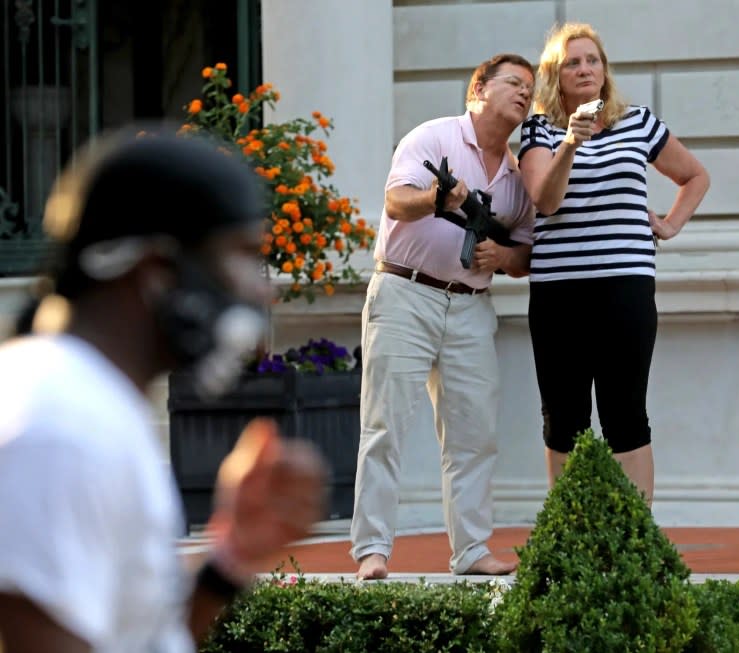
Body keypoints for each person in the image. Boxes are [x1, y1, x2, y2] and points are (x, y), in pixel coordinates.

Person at [0, 128, 325, 652]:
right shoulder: (59, 429)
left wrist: (229, 560)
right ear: (156, 273)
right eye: (241, 255)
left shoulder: (87, 404)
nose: (262, 288)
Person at [351, 53, 536, 580]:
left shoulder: (519, 178)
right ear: (478, 89)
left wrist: (501, 258)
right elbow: (395, 201)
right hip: (405, 293)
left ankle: (472, 550)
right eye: (513, 83)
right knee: (385, 425)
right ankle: (372, 550)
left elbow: (524, 252)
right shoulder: (433, 138)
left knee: (474, 433)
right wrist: (438, 197)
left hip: (473, 306)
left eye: (530, 88)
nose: (524, 93)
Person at [518, 23, 710, 507]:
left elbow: (694, 176)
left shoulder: (637, 121)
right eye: (572, 63)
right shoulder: (540, 131)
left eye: (592, 60)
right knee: (564, 418)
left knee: (626, 414)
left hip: (625, 288)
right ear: (555, 76)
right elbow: (546, 201)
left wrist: (669, 224)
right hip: (559, 293)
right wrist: (569, 144)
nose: (584, 69)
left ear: (604, 70)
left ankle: (635, 538)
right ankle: (569, 536)